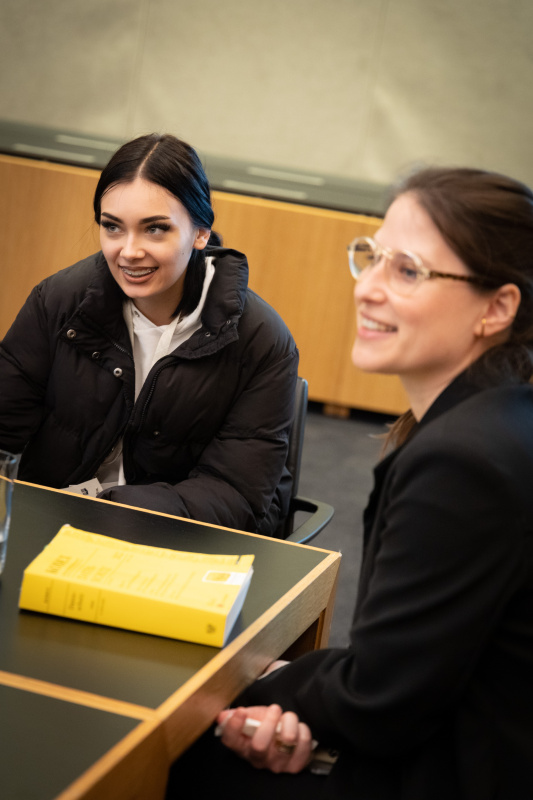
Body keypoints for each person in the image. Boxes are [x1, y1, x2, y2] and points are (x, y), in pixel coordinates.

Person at [166, 166, 533, 799]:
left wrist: (256, 687)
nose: (369, 289)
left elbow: (381, 702)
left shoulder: (462, 462)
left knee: (180, 759)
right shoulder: (504, 413)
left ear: (497, 307)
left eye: (409, 270)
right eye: (373, 258)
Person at [0, 134, 298, 536]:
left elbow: (235, 495)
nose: (129, 251)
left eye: (155, 230)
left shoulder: (262, 340)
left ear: (200, 233)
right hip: (54, 526)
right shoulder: (58, 301)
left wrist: (105, 508)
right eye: (113, 228)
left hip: (172, 541)